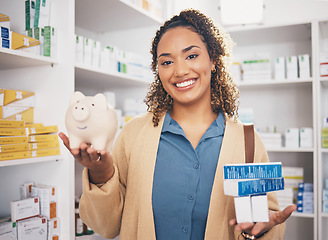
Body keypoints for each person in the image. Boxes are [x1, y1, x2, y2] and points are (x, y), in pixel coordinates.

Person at [59, 9, 296, 240]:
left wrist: (260, 230)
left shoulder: (248, 141)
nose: (180, 71)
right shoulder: (134, 134)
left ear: (213, 59)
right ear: (158, 71)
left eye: (191, 56)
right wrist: (101, 174)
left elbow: (267, 223)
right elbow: (107, 227)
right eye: (167, 62)